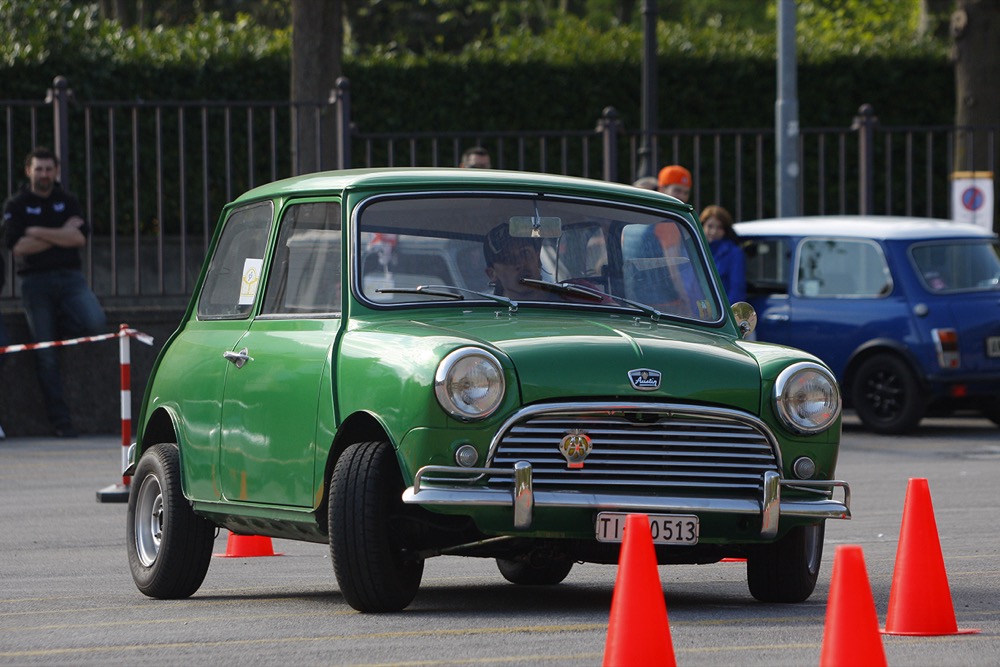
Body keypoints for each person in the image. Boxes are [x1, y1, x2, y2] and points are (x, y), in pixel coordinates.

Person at [3, 147, 107, 437]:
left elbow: (79, 239)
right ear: (29, 171)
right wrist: (62, 233)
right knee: (46, 354)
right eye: (39, 169)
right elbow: (17, 247)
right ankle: (61, 422)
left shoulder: (68, 200)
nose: (44, 174)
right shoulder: (17, 203)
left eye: (49, 169)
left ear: (56, 171)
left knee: (96, 323)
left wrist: (35, 231)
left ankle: (56, 326)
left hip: (71, 279)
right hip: (34, 283)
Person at [483, 223, 548, 301]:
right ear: (492, 274)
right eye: (508, 258)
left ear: (538, 259)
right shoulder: (487, 308)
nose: (520, 263)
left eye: (525, 253)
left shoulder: (561, 301)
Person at [700, 204, 746, 303]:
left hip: (722, 309)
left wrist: (725, 312)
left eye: (720, 227)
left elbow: (737, 289)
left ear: (725, 230)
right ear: (702, 226)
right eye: (710, 226)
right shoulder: (696, 249)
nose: (714, 231)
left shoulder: (734, 253)